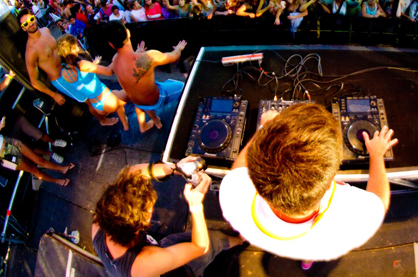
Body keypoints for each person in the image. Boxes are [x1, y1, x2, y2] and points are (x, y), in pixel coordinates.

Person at [219, 103, 397, 267]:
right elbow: (380, 201)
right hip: (315, 243)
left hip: (270, 238)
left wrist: (264, 130)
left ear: (255, 176)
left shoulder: (233, 197)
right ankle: (307, 261)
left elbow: (237, 170)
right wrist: (377, 155)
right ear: (329, 181)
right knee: (311, 249)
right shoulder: (345, 208)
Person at [92, 158, 244, 277]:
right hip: (173, 271)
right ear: (143, 222)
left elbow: (133, 173)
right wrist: (195, 205)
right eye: (150, 208)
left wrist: (175, 168)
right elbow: (200, 247)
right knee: (213, 241)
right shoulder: (144, 263)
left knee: (179, 240)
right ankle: (240, 240)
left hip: (158, 249)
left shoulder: (100, 221)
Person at [105, 21, 186, 133]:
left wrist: (137, 53)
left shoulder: (115, 60)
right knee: (182, 86)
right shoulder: (147, 57)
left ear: (111, 45)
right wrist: (179, 48)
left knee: (142, 97)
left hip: (138, 102)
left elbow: (126, 65)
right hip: (156, 99)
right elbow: (175, 56)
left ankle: (156, 121)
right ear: (128, 33)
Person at [56, 34, 129, 130]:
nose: (78, 49)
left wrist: (94, 65)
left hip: (96, 106)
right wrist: (119, 53)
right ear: (69, 51)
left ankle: (119, 121)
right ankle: (126, 124)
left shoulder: (63, 73)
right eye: (75, 47)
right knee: (131, 94)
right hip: (107, 99)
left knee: (116, 93)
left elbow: (82, 80)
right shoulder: (82, 64)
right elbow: (108, 71)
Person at [0, 119, 73, 186]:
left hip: (8, 141)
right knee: (34, 170)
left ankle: (62, 169)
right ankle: (58, 181)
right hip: (5, 157)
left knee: (39, 159)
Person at [19, 9, 67, 105]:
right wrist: (54, 95)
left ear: (35, 18)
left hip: (69, 68)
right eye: (25, 24)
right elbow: (34, 81)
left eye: (31, 19)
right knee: (87, 101)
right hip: (60, 80)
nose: (30, 24)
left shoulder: (46, 30)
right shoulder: (31, 51)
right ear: (23, 28)